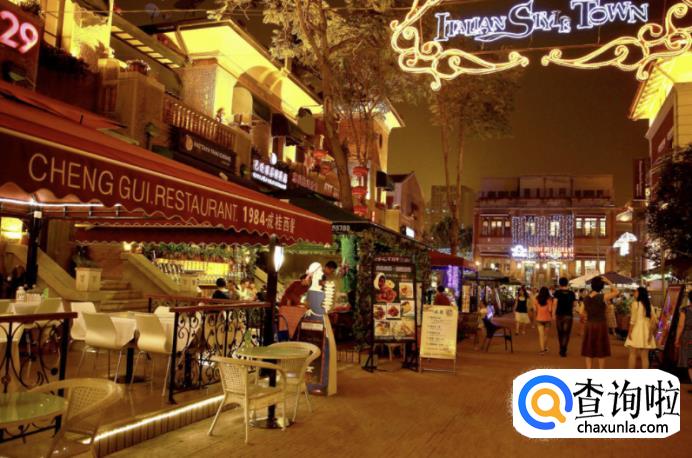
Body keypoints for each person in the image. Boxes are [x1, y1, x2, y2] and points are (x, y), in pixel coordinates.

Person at [581, 276, 619, 369]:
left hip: (590, 324)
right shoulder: (603, 297)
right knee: (601, 348)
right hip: (601, 324)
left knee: (589, 348)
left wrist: (587, 315)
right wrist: (608, 281)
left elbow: (581, 312)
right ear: (601, 286)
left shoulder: (586, 298)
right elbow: (616, 292)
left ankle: (589, 369)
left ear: (592, 286)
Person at [625, 286, 657, 369]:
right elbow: (653, 321)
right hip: (646, 330)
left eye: (636, 292)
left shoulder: (635, 304)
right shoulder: (650, 305)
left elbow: (633, 320)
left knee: (632, 354)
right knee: (645, 357)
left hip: (636, 329)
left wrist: (629, 332)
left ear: (640, 293)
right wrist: (651, 334)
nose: (634, 293)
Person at [554, 277, 578, 357]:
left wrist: (553, 314)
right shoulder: (571, 293)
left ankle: (561, 347)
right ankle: (563, 349)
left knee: (560, 332)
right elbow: (575, 304)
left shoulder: (557, 292)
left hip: (559, 314)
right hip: (568, 314)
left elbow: (555, 303)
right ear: (567, 283)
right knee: (566, 333)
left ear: (559, 283)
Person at [675, 291, 692, 391]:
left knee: (690, 362)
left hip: (688, 337)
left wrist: (677, 339)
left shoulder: (685, 310)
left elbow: (681, 326)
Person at [533, 287, 554, 354]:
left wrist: (535, 317)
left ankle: (542, 350)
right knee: (546, 335)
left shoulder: (536, 299)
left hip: (539, 319)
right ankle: (544, 347)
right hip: (547, 319)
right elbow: (550, 310)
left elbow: (535, 310)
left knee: (541, 335)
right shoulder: (549, 300)